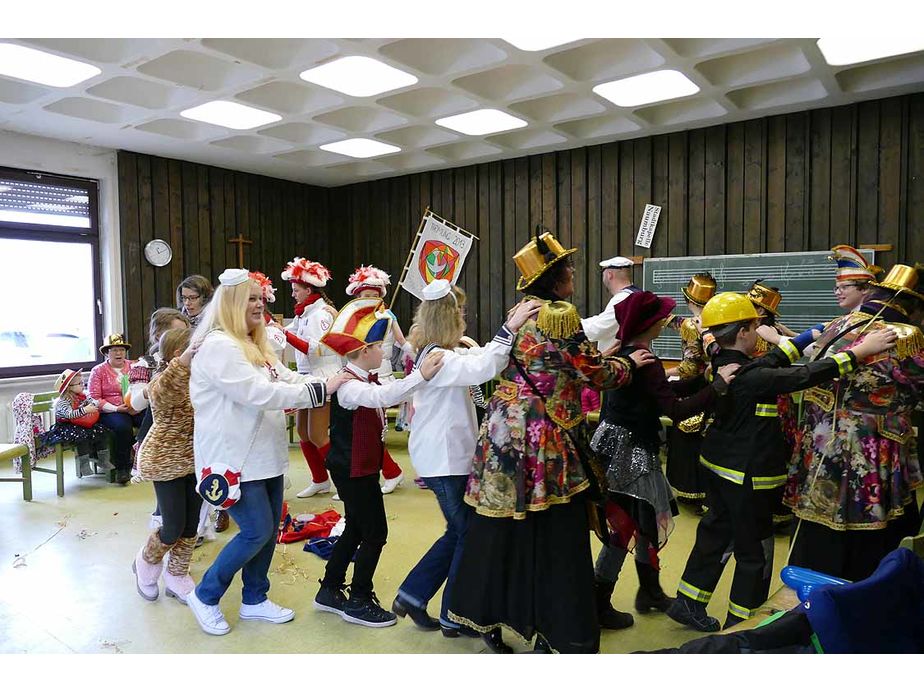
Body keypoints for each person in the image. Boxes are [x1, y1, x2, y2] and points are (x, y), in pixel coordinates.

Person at [447, 227, 655, 654]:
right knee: (555, 536)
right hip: (545, 440)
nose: (574, 272)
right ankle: (557, 628)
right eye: (568, 267)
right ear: (556, 278)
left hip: (503, 436)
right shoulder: (560, 314)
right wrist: (629, 363)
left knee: (500, 529)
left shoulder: (519, 312)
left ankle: (490, 619)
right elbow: (595, 373)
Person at [666, 292, 896, 632]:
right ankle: (742, 624)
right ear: (744, 332)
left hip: (717, 466)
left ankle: (688, 602)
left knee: (713, 536)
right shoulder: (751, 377)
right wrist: (858, 352)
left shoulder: (723, 360)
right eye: (755, 326)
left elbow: (769, 361)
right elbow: (802, 376)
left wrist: (809, 336)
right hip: (746, 475)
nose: (759, 330)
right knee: (753, 552)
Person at [186, 268, 349, 637]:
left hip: (265, 456)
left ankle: (255, 599)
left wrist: (326, 382)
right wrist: (320, 392)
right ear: (231, 304)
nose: (261, 305)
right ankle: (206, 594)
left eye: (261, 297)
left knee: (268, 529)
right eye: (252, 299)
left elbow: (286, 378)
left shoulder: (255, 343)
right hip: (233, 459)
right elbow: (258, 393)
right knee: (256, 531)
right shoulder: (218, 346)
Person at [392, 280, 541, 637]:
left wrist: (501, 337)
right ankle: (452, 614)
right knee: (467, 533)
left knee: (458, 531)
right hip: (444, 459)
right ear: (447, 316)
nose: (463, 316)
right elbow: (483, 368)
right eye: (458, 311)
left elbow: (479, 357)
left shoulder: (441, 351)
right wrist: (511, 327)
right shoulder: (438, 357)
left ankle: (413, 595)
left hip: (445, 456)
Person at [591, 290, 738, 631]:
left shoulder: (628, 355)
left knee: (641, 523)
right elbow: (672, 408)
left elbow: (662, 393)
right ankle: (600, 600)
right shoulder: (646, 360)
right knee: (625, 527)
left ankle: (650, 591)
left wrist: (699, 380)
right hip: (632, 453)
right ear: (651, 323)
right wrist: (715, 388)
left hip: (614, 445)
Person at [312, 296, 446, 628]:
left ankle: (329, 589)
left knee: (357, 527)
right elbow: (382, 397)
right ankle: (358, 599)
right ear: (362, 351)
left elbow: (387, 390)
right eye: (377, 346)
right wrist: (422, 377)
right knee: (375, 533)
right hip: (353, 469)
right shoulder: (350, 386)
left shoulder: (365, 378)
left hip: (359, 467)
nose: (383, 352)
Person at [785, 264, 924, 582]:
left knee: (818, 523)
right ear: (910, 305)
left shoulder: (838, 324)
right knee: (868, 531)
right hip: (868, 442)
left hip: (821, 437)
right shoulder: (905, 334)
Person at [131, 327, 201, 604]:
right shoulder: (164, 379)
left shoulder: (201, 376)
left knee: (191, 525)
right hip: (166, 459)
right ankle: (145, 560)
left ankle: (178, 574)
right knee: (173, 525)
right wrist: (183, 361)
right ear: (178, 354)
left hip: (195, 458)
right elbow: (161, 395)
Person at [344, 264, 412, 494]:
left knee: (375, 431)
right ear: (357, 297)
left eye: (375, 295)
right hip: (357, 377)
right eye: (365, 296)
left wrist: (421, 357)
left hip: (382, 378)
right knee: (360, 431)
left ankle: (391, 472)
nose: (370, 299)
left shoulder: (388, 317)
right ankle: (382, 473)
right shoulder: (352, 318)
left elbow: (403, 343)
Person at [280, 257, 343, 499]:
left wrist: (284, 334)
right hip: (306, 377)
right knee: (303, 433)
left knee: (318, 434)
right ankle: (320, 480)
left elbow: (318, 348)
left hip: (323, 377)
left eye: (296, 290)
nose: (293, 294)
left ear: (309, 289)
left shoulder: (322, 314)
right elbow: (289, 333)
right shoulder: (303, 313)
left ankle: (342, 482)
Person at [127, 308, 191, 529]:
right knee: (168, 499)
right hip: (161, 432)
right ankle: (163, 534)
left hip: (188, 434)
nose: (187, 339)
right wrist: (156, 387)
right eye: (179, 333)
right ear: (159, 336)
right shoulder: (146, 364)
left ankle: (189, 532)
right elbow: (134, 404)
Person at [663, 273, 717, 509]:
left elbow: (688, 367)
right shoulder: (718, 319)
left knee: (687, 438)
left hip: (694, 387)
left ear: (689, 301)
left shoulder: (690, 325)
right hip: (715, 386)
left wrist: (662, 374)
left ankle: (689, 490)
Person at [88, 334, 142, 484]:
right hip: (111, 410)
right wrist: (117, 408)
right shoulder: (98, 371)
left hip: (135, 406)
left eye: (121, 350)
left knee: (150, 419)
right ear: (107, 353)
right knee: (122, 427)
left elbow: (144, 387)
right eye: (114, 350)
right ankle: (122, 468)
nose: (118, 353)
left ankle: (143, 460)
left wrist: (137, 405)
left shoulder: (135, 366)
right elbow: (95, 398)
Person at [44, 368, 111, 476]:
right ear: (68, 388)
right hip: (67, 426)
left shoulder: (83, 396)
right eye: (79, 383)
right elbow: (70, 415)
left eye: (82, 382)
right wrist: (85, 410)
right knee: (81, 437)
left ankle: (103, 460)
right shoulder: (63, 402)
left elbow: (92, 402)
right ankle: (83, 465)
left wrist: (94, 403)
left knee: (101, 432)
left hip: (81, 424)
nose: (82, 385)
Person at [580, 255, 640, 352]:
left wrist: (572, 324)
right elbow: (604, 319)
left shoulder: (623, 299)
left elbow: (598, 329)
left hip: (622, 359)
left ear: (609, 274)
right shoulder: (635, 294)